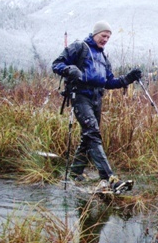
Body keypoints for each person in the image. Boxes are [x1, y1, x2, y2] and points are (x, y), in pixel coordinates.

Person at [52, 20, 142, 192]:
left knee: (88, 137)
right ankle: (110, 179)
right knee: (93, 133)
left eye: (108, 37)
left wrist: (129, 78)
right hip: (80, 96)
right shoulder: (80, 47)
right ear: (95, 34)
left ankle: (74, 174)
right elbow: (56, 64)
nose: (105, 39)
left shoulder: (103, 57)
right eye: (103, 35)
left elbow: (109, 82)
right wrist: (69, 69)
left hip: (96, 99)